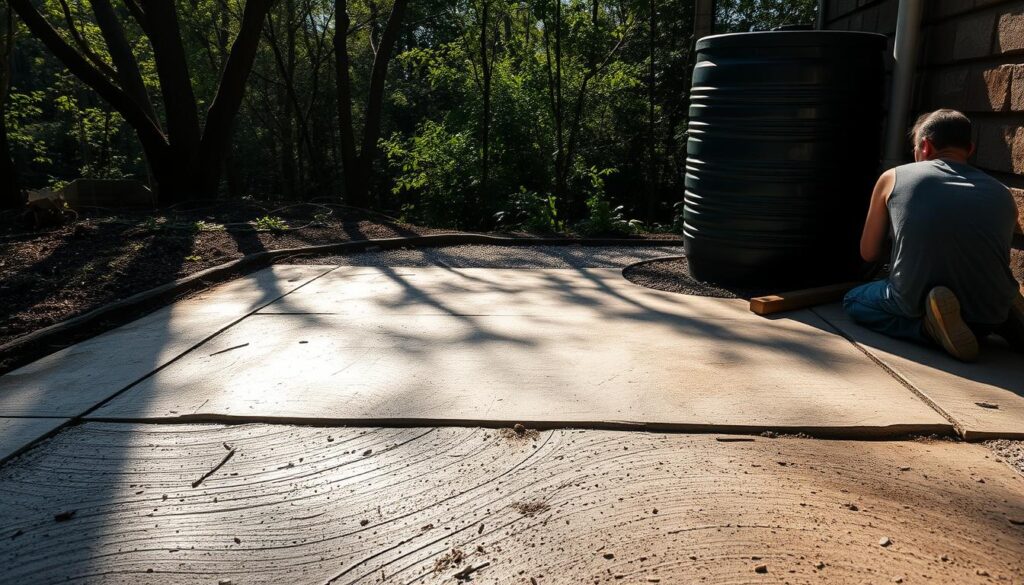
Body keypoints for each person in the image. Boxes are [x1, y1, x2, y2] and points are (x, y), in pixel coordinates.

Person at [843, 109, 1023, 362]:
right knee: (988, 304)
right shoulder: (1003, 194)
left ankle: (929, 328)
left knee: (854, 300)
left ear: (925, 147)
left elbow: (869, 252)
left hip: (916, 302)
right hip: (987, 311)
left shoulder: (893, 177)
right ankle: (1006, 316)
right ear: (969, 149)